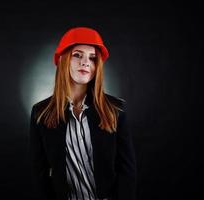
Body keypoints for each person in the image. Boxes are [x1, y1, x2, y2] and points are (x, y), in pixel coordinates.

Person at [28, 27, 137, 200]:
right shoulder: (40, 113)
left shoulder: (116, 110)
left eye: (92, 58)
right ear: (63, 60)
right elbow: (38, 173)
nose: (86, 62)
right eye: (77, 55)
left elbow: (127, 171)